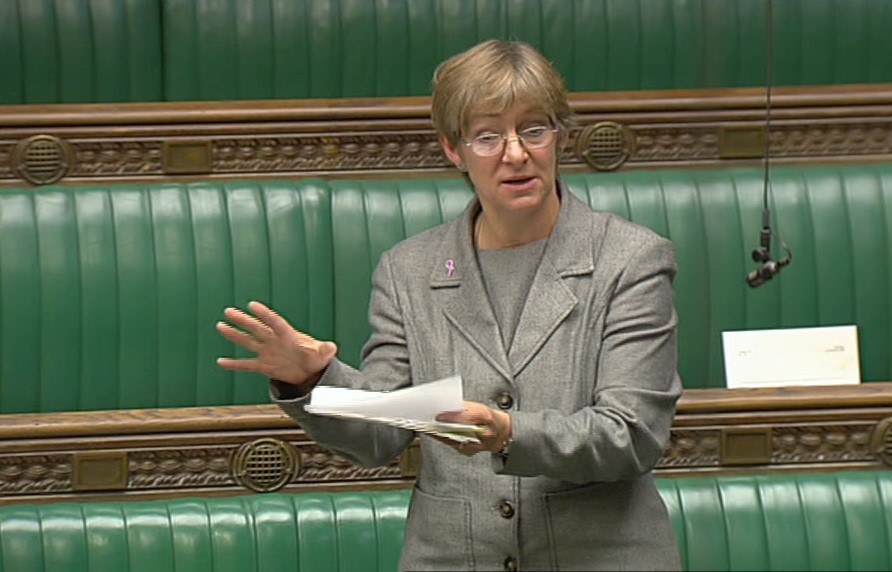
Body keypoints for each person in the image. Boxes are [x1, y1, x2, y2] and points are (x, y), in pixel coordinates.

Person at [216, 38, 682, 571]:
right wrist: (315, 378)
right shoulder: (409, 270)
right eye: (487, 135)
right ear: (453, 149)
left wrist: (510, 433)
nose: (515, 152)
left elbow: (631, 434)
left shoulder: (631, 259)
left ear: (558, 136)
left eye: (534, 128)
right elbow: (380, 435)